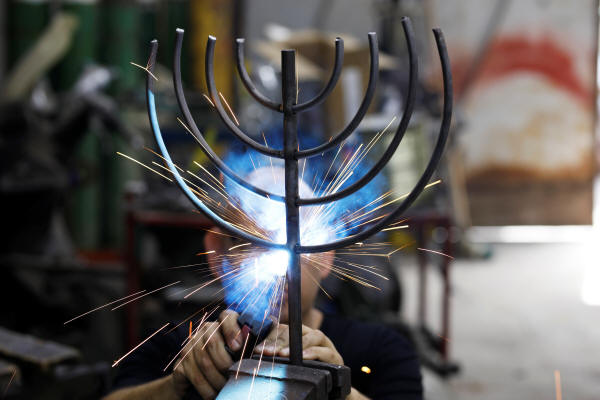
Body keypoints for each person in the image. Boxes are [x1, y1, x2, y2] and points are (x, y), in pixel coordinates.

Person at [105, 167, 423, 400]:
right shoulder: (177, 346)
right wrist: (175, 386)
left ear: (325, 256)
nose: (276, 272)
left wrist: (340, 391)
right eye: (251, 243)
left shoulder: (382, 349)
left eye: (294, 244)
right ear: (218, 253)